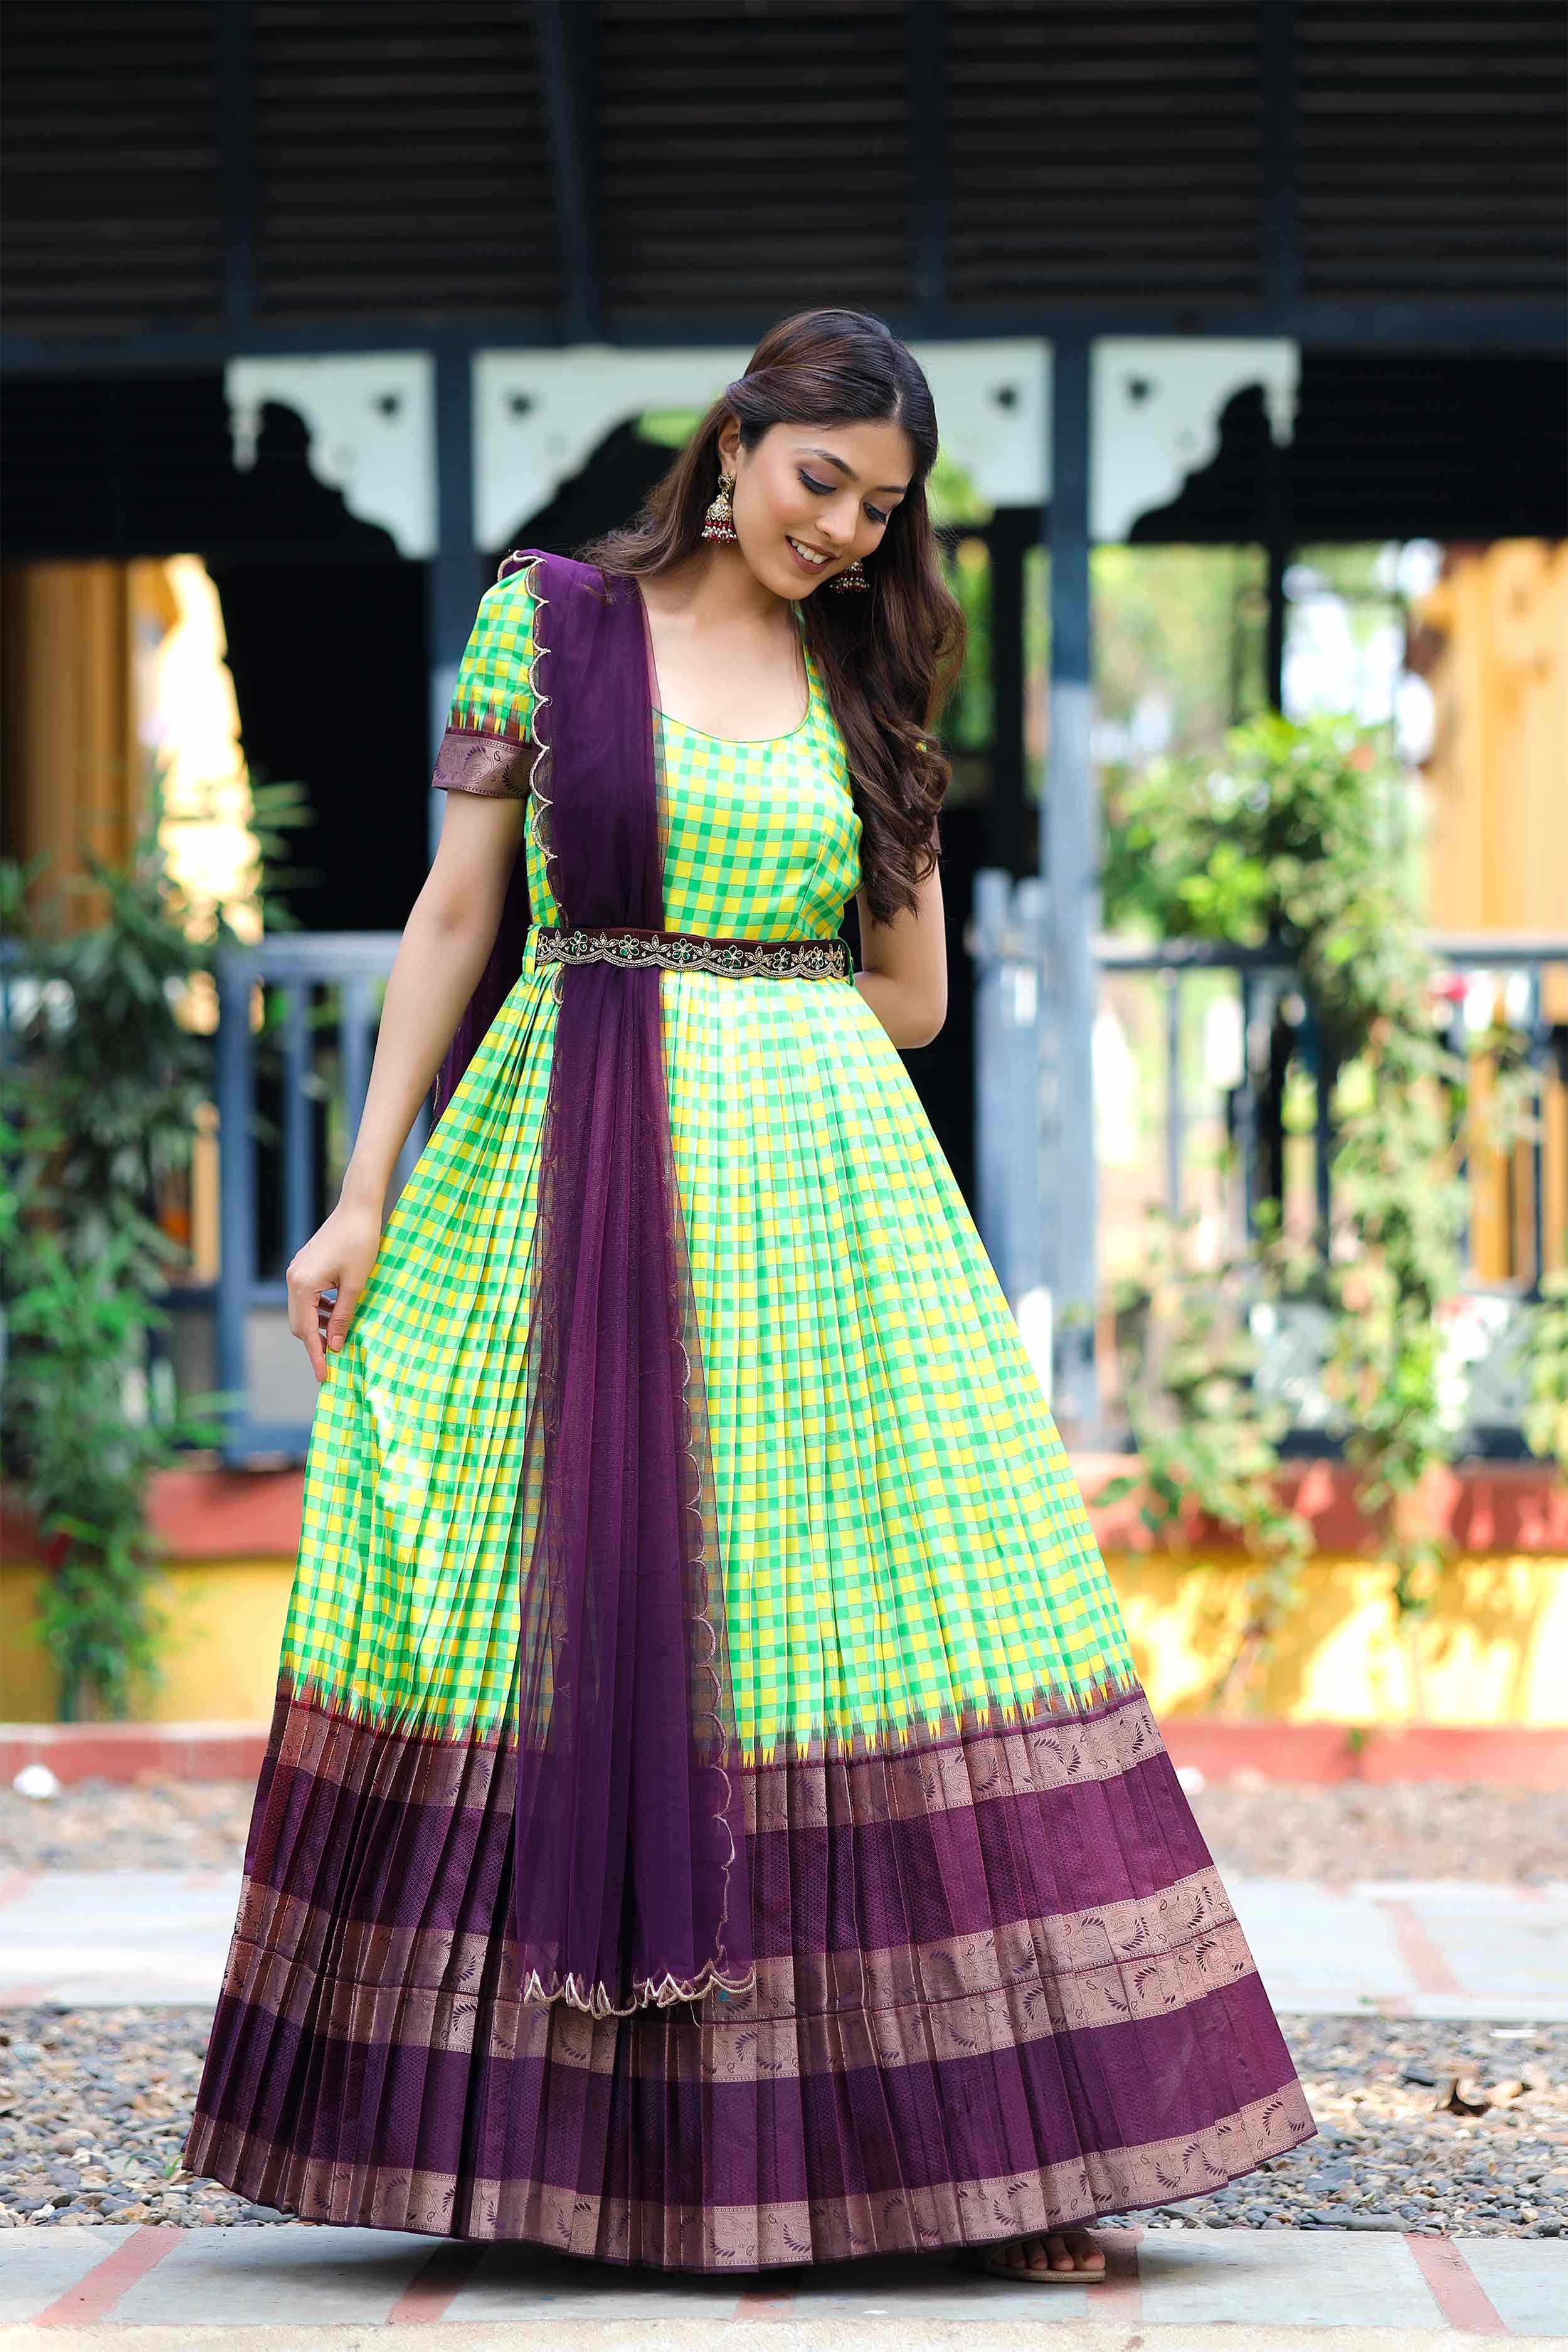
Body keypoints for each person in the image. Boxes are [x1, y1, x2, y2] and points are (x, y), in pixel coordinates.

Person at [183, 307, 1315, 2286]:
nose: (844, 530)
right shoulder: (550, 625)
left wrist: (739, 1018)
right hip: (558, 1167)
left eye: (879, 508)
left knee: (866, 1621)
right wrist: (361, 1194)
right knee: (541, 1597)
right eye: (820, 481)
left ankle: (993, 2157)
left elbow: (915, 997)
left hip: (817, 1203)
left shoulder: (866, 679)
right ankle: (543, 2160)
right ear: (735, 443)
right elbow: (454, 912)